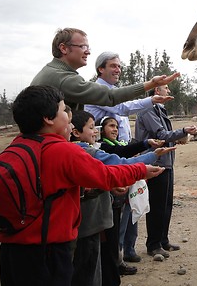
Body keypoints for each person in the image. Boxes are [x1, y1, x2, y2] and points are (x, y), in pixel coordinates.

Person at [0, 85, 164, 286]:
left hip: (10, 248)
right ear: (49, 119)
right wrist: (141, 170)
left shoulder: (13, 149)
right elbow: (105, 175)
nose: (68, 117)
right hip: (48, 248)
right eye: (62, 111)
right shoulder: (63, 151)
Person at [85, 51, 172, 263]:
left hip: (123, 154)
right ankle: (115, 257)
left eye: (119, 66)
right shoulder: (99, 91)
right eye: (113, 66)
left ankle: (126, 251)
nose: (118, 70)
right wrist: (151, 98)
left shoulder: (113, 91)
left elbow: (124, 129)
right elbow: (123, 108)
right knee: (115, 211)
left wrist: (139, 147)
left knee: (131, 204)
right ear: (100, 69)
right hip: (107, 157)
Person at [69, 111, 169, 286]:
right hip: (90, 225)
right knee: (92, 267)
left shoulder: (89, 148)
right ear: (75, 132)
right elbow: (118, 162)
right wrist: (151, 157)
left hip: (93, 223)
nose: (95, 132)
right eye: (92, 128)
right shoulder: (85, 151)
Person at [31, 28, 180, 111]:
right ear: (63, 48)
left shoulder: (54, 72)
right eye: (82, 46)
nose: (88, 52)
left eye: (88, 47)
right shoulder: (63, 78)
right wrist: (152, 84)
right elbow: (111, 97)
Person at [134, 84, 197, 258]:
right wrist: (183, 131)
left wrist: (179, 136)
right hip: (155, 162)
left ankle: (163, 240)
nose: (169, 91)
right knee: (156, 205)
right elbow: (161, 135)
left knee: (166, 204)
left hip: (166, 162)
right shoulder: (148, 111)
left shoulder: (159, 111)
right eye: (166, 88)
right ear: (157, 91)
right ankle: (153, 244)